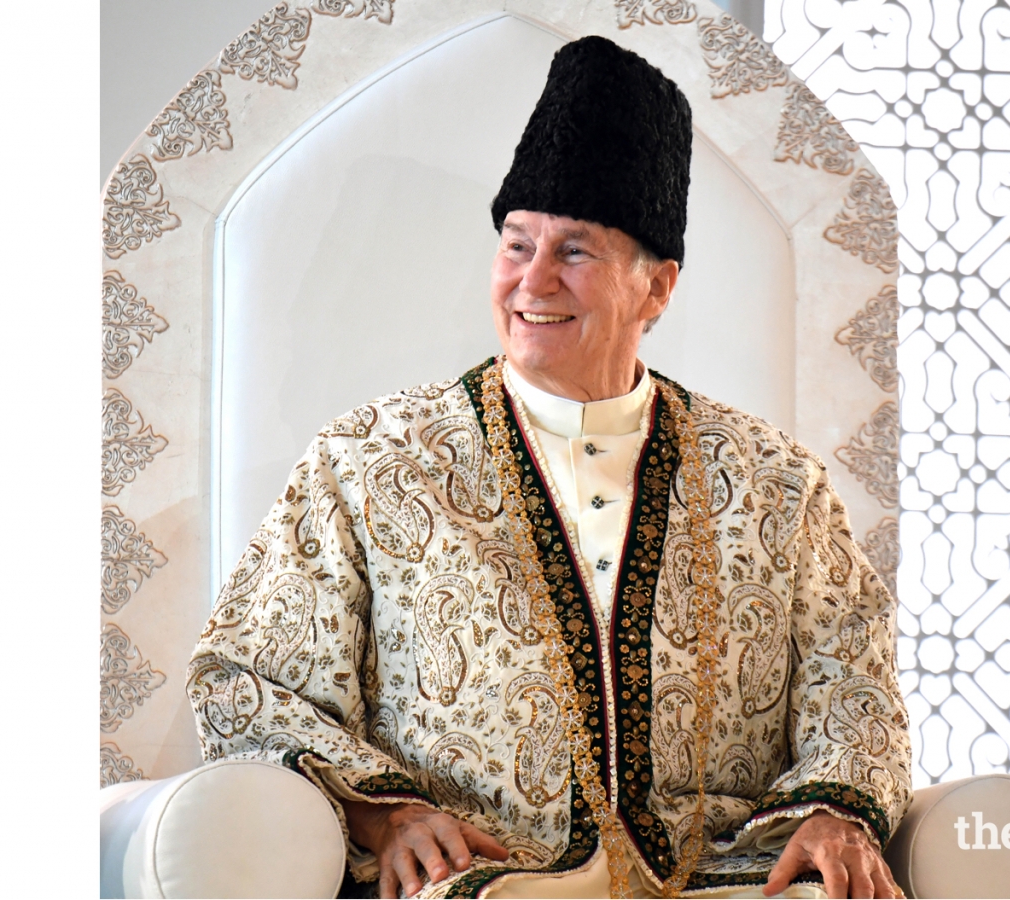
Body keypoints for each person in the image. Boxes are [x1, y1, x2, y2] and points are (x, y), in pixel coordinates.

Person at [188, 35, 911, 900]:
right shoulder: (371, 460)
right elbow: (245, 678)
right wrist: (388, 818)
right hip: (483, 876)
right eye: (516, 245)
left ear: (658, 287)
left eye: (576, 251)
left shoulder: (776, 482)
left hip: (723, 876)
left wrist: (836, 813)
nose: (534, 281)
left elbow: (855, 678)